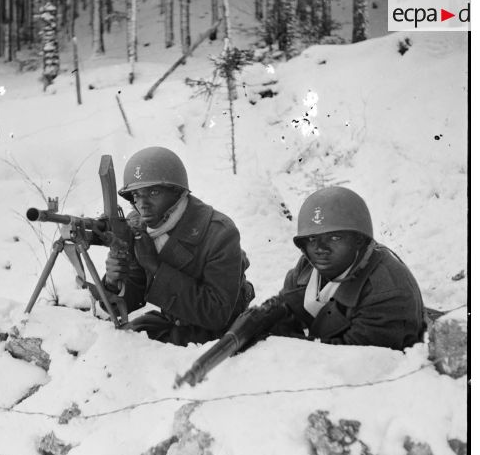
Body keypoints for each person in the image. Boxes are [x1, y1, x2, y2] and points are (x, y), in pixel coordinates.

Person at [102, 146, 254, 346]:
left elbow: (217, 313)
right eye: (137, 195)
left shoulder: (220, 232)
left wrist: (155, 267)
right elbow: (131, 299)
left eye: (153, 192)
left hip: (220, 333)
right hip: (174, 321)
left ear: (177, 193)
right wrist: (114, 282)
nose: (143, 204)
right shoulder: (139, 227)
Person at [268, 186, 425, 350]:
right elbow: (284, 307)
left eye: (334, 237)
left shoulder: (386, 290)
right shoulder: (308, 267)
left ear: (358, 240)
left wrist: (285, 343)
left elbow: (353, 357)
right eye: (312, 238)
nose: (320, 248)